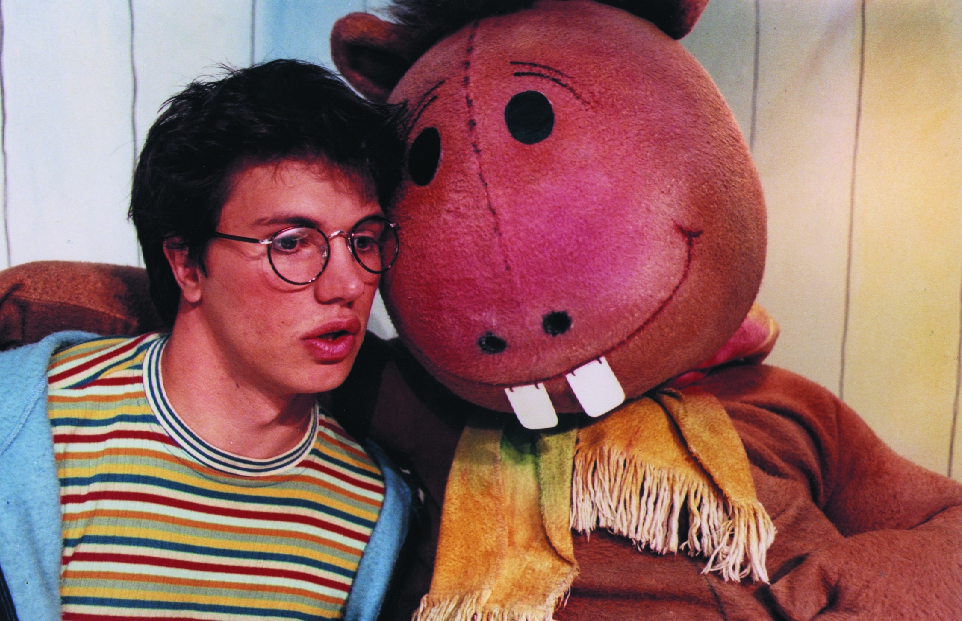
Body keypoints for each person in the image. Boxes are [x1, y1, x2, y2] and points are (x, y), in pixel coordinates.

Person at [0, 59, 409, 621]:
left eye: (363, 240)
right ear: (187, 264)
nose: (348, 284)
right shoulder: (27, 425)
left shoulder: (373, 511)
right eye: (291, 243)